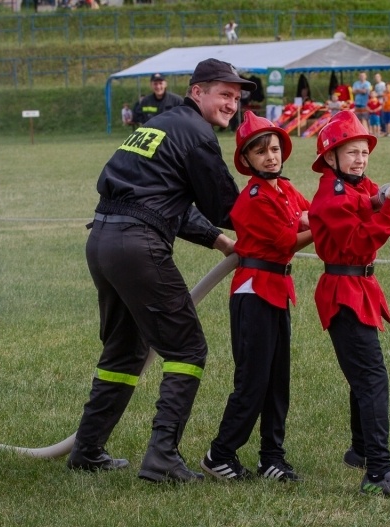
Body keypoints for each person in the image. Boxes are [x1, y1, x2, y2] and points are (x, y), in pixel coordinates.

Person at [66, 58, 256, 485]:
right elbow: (227, 204)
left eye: (236, 97)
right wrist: (282, 214)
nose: (232, 103)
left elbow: (156, 195)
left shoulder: (164, 125)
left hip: (102, 241)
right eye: (223, 94)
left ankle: (87, 450)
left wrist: (218, 240)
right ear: (197, 92)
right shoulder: (198, 134)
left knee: (124, 352)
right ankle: (161, 458)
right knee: (187, 350)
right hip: (137, 245)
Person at [307, 110, 390, 498]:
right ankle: (379, 475)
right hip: (344, 293)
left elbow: (383, 205)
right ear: (330, 158)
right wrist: (387, 206)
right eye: (350, 152)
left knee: (363, 377)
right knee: (372, 379)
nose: (359, 158)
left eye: (363, 151)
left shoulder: (353, 185)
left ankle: (361, 451)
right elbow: (359, 242)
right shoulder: (331, 196)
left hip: (358, 288)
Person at [201, 111, 312, 483]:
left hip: (278, 291)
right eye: (261, 151)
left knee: (278, 380)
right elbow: (286, 241)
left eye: (275, 149)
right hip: (254, 294)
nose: (271, 157)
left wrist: (354, 209)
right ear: (246, 160)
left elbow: (310, 217)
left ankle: (271, 458)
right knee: (253, 380)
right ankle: (220, 453)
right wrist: (332, 223)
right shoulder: (251, 199)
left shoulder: (284, 188)